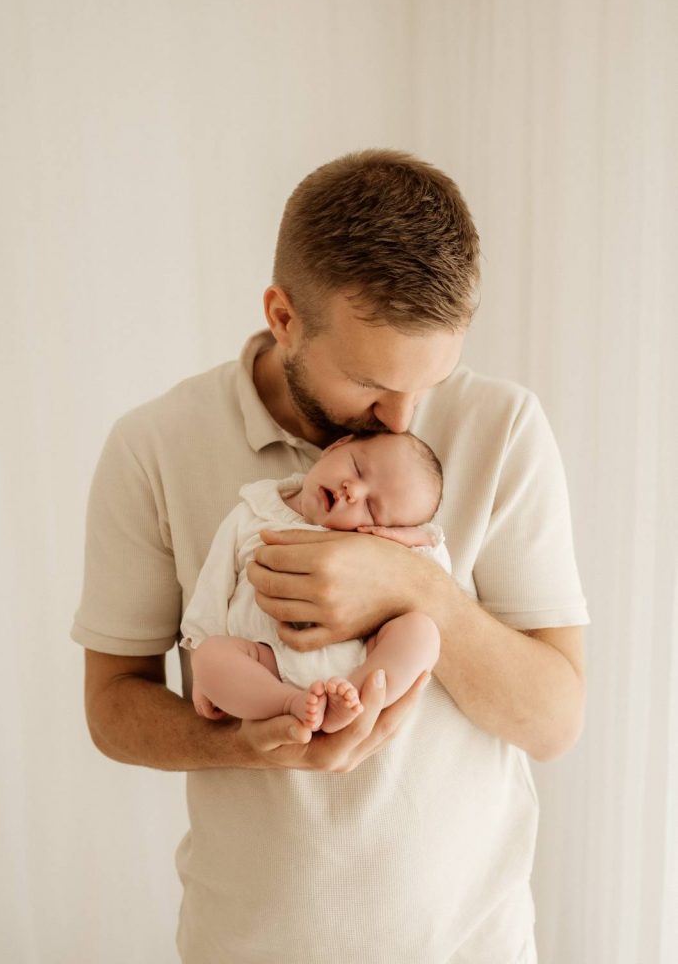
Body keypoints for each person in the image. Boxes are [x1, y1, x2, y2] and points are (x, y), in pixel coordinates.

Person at [73, 148, 589, 964]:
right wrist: (230, 744)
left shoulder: (504, 427)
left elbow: (554, 720)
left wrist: (411, 586)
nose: (401, 416)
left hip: (469, 947)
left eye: (429, 382)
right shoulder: (154, 445)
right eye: (370, 384)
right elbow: (111, 706)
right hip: (246, 946)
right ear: (283, 317)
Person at [180, 431, 449, 733]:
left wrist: (421, 540)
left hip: (357, 661)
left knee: (422, 633)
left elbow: (435, 585)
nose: (354, 491)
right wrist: (203, 661)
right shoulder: (254, 512)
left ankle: (354, 699)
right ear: (336, 446)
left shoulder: (378, 545)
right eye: (358, 469)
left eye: (372, 509)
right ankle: (289, 703)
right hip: (264, 659)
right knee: (210, 656)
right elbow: (214, 585)